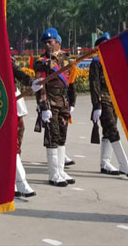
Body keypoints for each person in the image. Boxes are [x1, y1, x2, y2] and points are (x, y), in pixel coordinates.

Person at [90, 33, 128, 178]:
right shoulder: (96, 62)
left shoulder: (113, 61)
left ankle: (105, 163)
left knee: (108, 131)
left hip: (114, 100)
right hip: (103, 100)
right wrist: (97, 105)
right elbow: (94, 85)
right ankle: (124, 165)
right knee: (112, 130)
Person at [31, 28, 76, 187]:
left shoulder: (66, 59)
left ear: (58, 42)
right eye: (45, 43)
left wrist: (72, 103)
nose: (48, 45)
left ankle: (61, 170)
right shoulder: (41, 62)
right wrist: (44, 107)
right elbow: (40, 86)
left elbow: (70, 83)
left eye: (50, 42)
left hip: (63, 102)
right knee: (52, 137)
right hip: (50, 103)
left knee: (62, 137)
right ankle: (53, 173)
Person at [12, 57, 36, 197]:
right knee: (10, 145)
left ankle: (14, 181)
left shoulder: (5, 58)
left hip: (12, 101)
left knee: (18, 138)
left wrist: (31, 82)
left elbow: (18, 72)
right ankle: (20, 182)